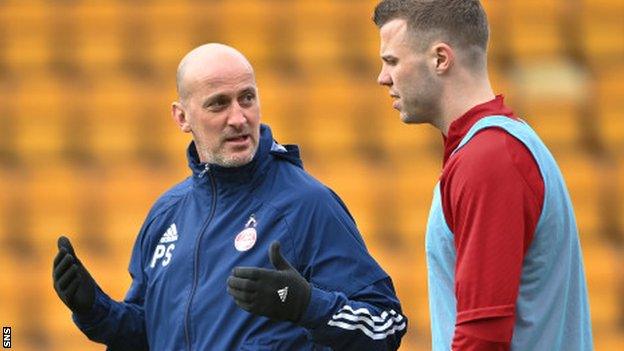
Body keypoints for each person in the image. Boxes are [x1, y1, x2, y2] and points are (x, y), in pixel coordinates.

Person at [51, 43, 407, 350]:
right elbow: (149, 334)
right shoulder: (166, 214)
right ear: (182, 117)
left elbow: (387, 325)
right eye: (218, 104)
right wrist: (94, 310)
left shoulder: (306, 204)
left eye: (247, 98)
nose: (238, 118)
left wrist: (306, 304)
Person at [372, 1, 593, 350]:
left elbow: (483, 335)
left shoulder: (489, 159)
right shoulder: (498, 146)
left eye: (392, 61)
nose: (383, 77)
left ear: (440, 59)